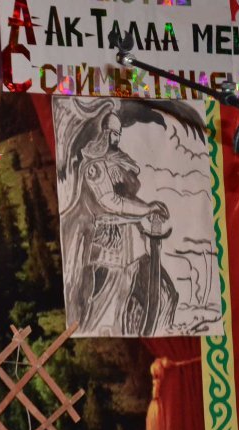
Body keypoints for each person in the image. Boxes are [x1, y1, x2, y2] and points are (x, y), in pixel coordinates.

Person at [63, 111, 177, 336]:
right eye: (114, 134)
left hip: (134, 239)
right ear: (105, 133)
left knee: (164, 293)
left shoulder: (118, 161)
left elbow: (128, 197)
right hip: (110, 242)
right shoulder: (94, 167)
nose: (117, 139)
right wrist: (147, 209)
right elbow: (111, 201)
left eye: (119, 134)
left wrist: (147, 210)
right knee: (109, 301)